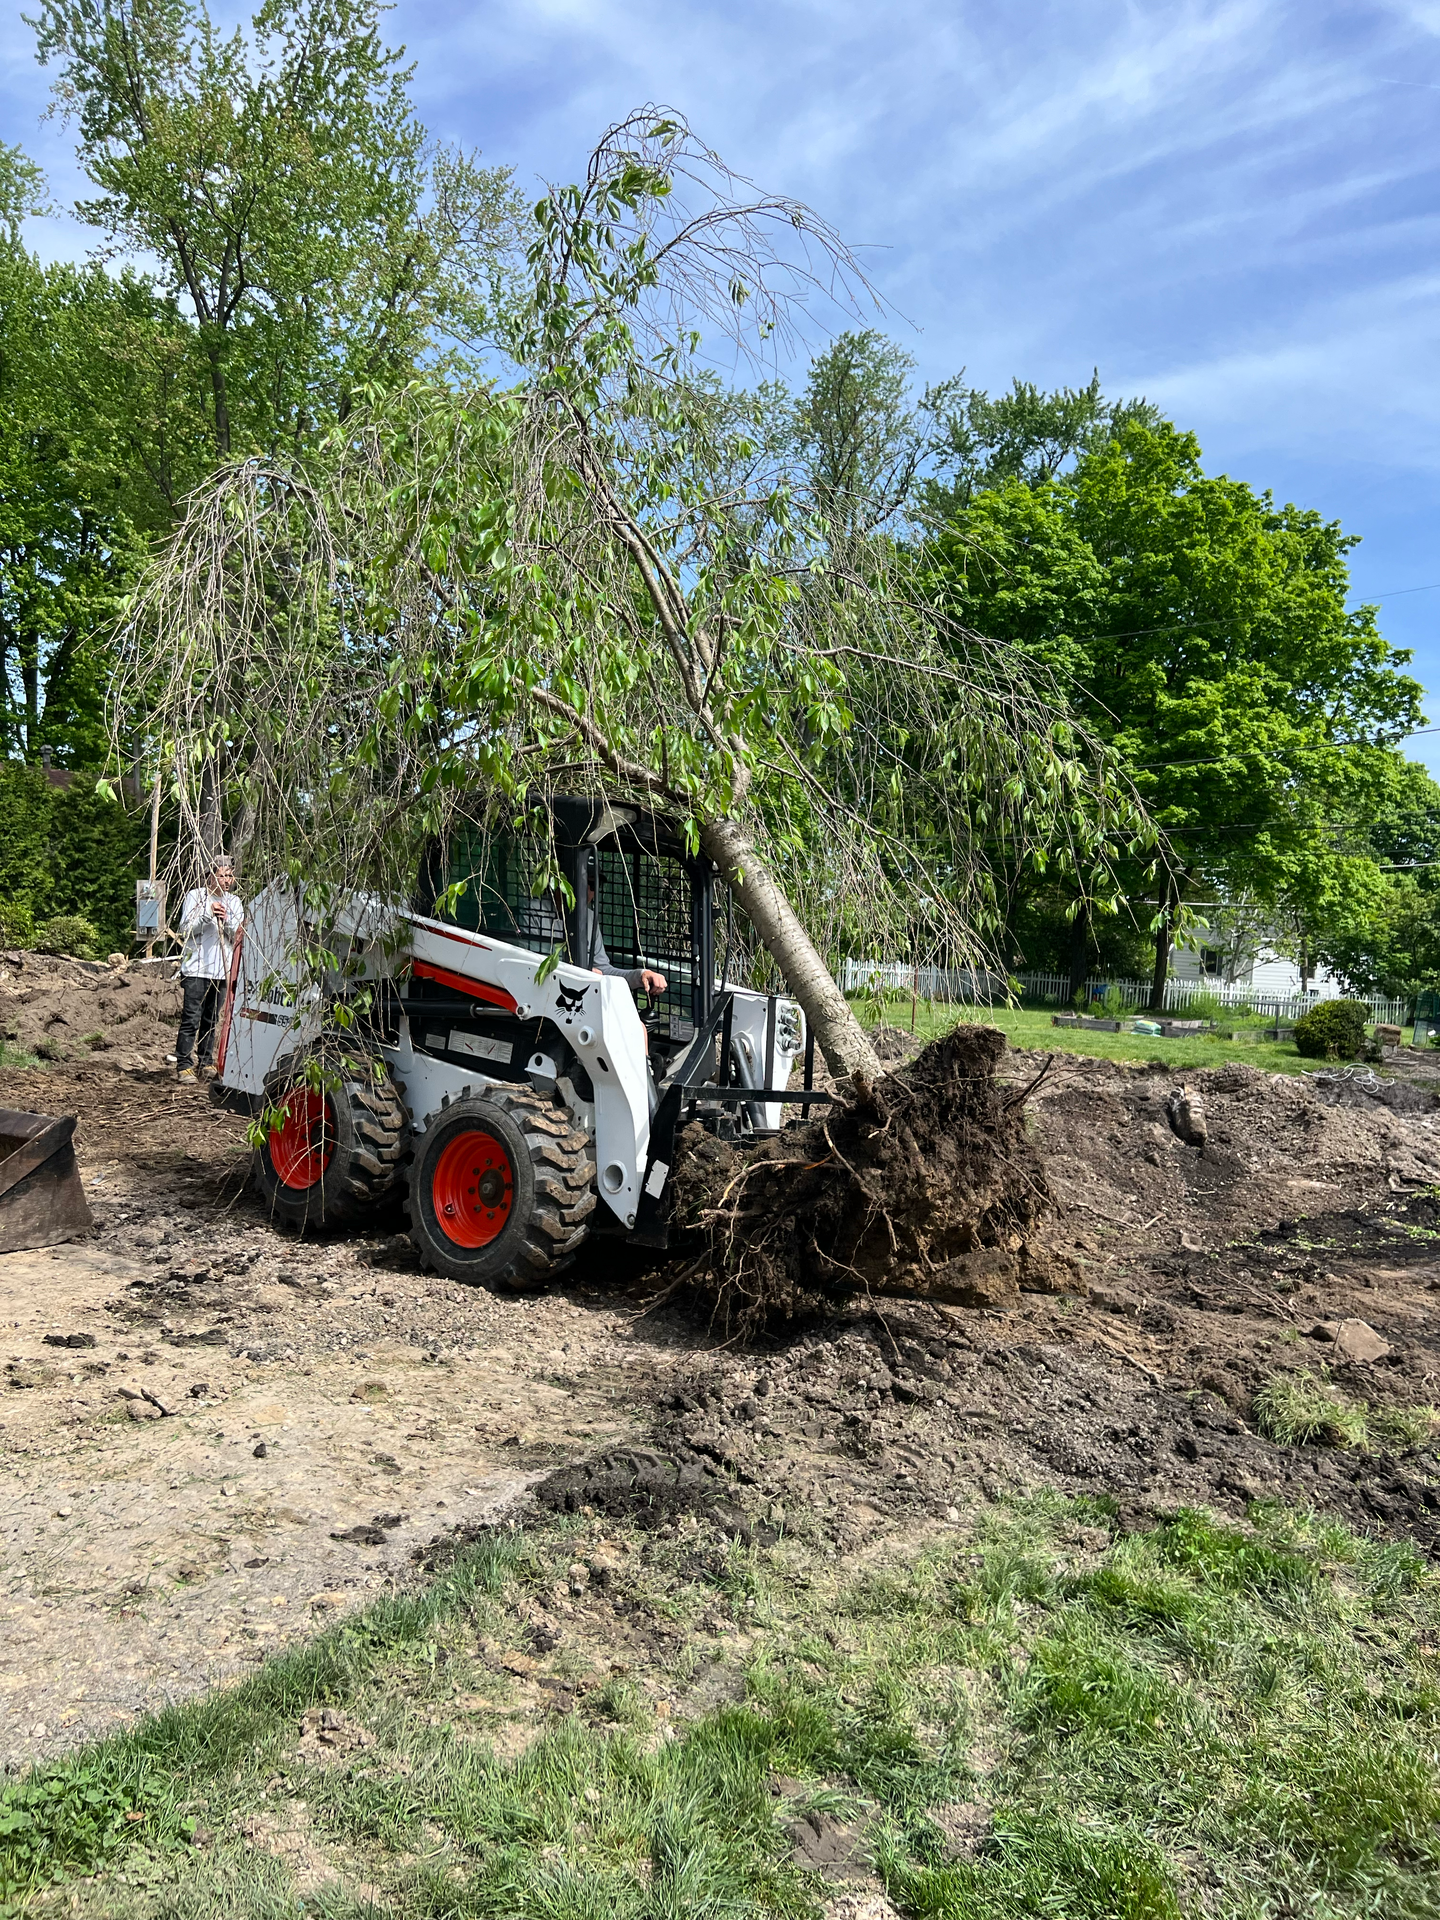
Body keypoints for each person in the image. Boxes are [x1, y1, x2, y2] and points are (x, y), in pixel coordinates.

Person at [175, 858, 244, 1083]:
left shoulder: (234, 902)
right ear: (210, 876)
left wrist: (228, 922)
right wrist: (207, 916)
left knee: (211, 1019)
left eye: (230, 876)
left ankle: (205, 1061)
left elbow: (238, 936)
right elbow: (185, 929)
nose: (227, 880)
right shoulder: (196, 896)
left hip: (220, 971)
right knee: (191, 1018)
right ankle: (184, 1064)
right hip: (197, 968)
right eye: (223, 875)